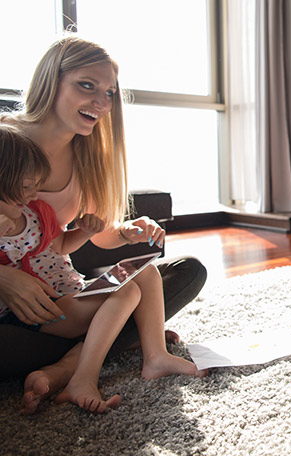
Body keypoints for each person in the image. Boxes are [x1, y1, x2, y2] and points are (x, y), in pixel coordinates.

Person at [0, 36, 207, 412]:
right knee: (130, 302)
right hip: (14, 311)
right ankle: (100, 349)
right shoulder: (4, 140)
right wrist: (4, 278)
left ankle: (74, 361)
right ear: (52, 80)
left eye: (109, 93)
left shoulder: (86, 159)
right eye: (87, 85)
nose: (101, 102)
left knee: (182, 273)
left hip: (61, 297)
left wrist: (125, 232)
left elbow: (97, 234)